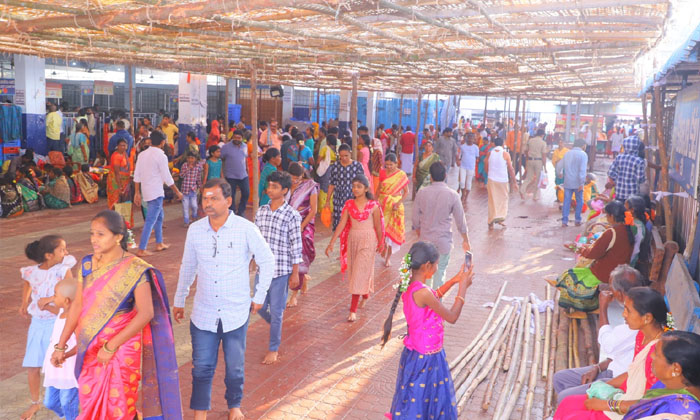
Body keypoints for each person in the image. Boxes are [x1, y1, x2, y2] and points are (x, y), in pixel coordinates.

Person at [50, 210, 183, 419]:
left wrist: (111, 346)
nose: (94, 239)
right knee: (90, 399)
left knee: (119, 404)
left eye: (100, 234)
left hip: (122, 345)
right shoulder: (85, 265)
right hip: (90, 343)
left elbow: (146, 312)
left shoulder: (136, 269)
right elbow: (76, 306)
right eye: (92, 233)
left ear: (119, 236)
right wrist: (61, 345)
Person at [174, 178, 274, 420]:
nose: (208, 203)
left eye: (214, 198)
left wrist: (259, 296)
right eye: (205, 198)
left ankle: (234, 406)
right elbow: (188, 266)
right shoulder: (195, 230)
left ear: (228, 201)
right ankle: (200, 413)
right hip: (204, 313)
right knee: (202, 368)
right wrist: (180, 298)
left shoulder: (245, 228)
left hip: (235, 312)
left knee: (235, 368)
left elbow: (267, 260)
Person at [382, 241, 473, 420]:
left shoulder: (409, 285)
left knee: (416, 399)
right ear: (427, 266)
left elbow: (434, 296)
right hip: (427, 359)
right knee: (427, 401)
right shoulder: (423, 293)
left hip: (414, 354)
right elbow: (452, 317)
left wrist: (455, 280)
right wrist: (463, 288)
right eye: (437, 264)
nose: (437, 267)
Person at [554, 287, 666, 420]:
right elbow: (632, 373)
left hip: (633, 410)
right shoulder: (641, 335)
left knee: (572, 412)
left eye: (628, 311)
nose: (623, 314)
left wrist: (605, 404)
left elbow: (649, 404)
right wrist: (604, 386)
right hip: (624, 394)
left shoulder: (659, 354)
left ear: (647, 318)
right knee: (568, 403)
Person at [553, 265, 645, 403]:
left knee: (565, 398)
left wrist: (603, 307)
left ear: (619, 293)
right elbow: (616, 353)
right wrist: (597, 367)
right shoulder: (635, 310)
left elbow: (608, 345)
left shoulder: (638, 320)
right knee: (560, 379)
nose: (608, 290)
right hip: (611, 369)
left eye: (610, 286)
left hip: (617, 378)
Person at [19, 235, 75, 420]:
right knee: (33, 365)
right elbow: (27, 283)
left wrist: (49, 300)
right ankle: (36, 403)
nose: (66, 253)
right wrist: (24, 302)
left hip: (56, 322)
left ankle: (65, 401)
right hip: (37, 322)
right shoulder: (32, 271)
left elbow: (72, 292)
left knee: (57, 362)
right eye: (62, 250)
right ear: (49, 255)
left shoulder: (64, 270)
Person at [254, 171, 302, 364]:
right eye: (269, 186)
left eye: (275, 187)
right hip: (262, 270)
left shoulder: (292, 215)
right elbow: (255, 238)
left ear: (284, 190)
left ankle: (273, 347)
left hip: (282, 271)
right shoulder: (261, 211)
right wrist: (251, 259)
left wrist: (295, 273)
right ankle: (276, 322)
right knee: (259, 307)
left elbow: (296, 244)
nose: (270, 189)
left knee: (275, 311)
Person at [553, 200, 634, 313]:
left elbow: (593, 254)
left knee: (568, 276)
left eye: (607, 215)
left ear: (611, 216)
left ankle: (581, 308)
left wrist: (576, 248)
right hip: (617, 270)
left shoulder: (612, 232)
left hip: (606, 273)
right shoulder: (626, 229)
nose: (606, 218)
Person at [325, 174, 385, 322]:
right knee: (356, 272)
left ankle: (353, 310)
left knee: (359, 272)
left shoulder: (373, 205)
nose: (355, 189)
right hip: (353, 240)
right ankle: (365, 294)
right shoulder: (349, 204)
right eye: (354, 186)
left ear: (366, 188)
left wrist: (381, 242)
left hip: (368, 241)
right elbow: (341, 224)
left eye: (359, 186)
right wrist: (332, 242)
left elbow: (378, 226)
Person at [413, 162, 471, 288]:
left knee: (426, 276)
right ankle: (436, 303)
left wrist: (421, 235)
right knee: (440, 274)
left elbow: (415, 221)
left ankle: (425, 303)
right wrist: (465, 240)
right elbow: (460, 220)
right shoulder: (453, 195)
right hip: (443, 241)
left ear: (431, 177)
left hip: (425, 241)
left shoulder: (421, 193)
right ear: (445, 175)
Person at [623, 331, 700, 419]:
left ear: (676, 369)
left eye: (656, 354)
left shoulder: (680, 413)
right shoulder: (665, 384)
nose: (651, 356)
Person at [133, 130, 183, 257]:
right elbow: (167, 177)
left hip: (147, 190)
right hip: (156, 192)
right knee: (150, 220)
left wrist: (137, 193)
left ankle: (159, 243)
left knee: (159, 217)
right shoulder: (161, 156)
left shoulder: (142, 155)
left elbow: (136, 175)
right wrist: (177, 192)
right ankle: (141, 248)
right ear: (162, 142)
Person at [40, 279, 79, 420]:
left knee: (67, 402)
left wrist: (65, 355)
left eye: (55, 295)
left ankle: (73, 417)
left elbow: (81, 344)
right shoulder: (63, 310)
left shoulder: (77, 319)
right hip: (54, 367)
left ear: (67, 300)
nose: (53, 297)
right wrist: (48, 306)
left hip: (69, 367)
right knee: (50, 402)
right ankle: (67, 416)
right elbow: (58, 312)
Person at [287, 162, 319, 308]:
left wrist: (301, 226)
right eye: (292, 177)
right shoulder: (285, 185)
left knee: (300, 257)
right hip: (287, 225)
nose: (295, 181)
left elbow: (313, 210)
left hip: (304, 226)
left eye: (297, 178)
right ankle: (302, 279)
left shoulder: (310, 187)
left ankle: (294, 295)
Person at [376, 153, 409, 267]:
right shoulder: (382, 172)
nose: (389, 167)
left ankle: (388, 258)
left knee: (391, 235)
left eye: (391, 165)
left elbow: (406, 192)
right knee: (382, 230)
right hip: (383, 205)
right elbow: (379, 188)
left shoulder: (401, 175)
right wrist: (375, 202)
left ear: (396, 163)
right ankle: (383, 247)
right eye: (387, 165)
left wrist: (398, 203)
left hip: (395, 207)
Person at [325, 143, 365, 230]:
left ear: (350, 153)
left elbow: (363, 184)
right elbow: (332, 184)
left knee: (353, 221)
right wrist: (327, 201)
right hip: (338, 198)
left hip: (353, 197)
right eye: (341, 156)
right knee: (339, 221)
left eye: (346, 155)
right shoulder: (335, 166)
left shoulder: (357, 166)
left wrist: (363, 199)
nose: (344, 158)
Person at [485, 137, 518, 229]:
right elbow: (511, 169)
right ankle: (500, 219)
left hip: (492, 179)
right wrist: (514, 182)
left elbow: (486, 166)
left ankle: (491, 222)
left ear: (494, 144)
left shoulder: (489, 153)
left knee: (492, 200)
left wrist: (489, 175)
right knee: (503, 199)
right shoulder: (505, 154)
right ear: (503, 144)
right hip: (503, 180)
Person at [558, 139, 589, 227]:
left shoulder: (567, 153)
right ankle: (577, 220)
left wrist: (559, 173)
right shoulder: (583, 154)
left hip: (568, 181)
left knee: (566, 201)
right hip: (578, 182)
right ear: (583, 145)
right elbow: (582, 170)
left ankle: (564, 221)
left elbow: (559, 165)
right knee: (579, 201)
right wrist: (581, 183)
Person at [608, 135, 646, 202]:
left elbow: (610, 173)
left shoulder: (619, 157)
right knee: (629, 212)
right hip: (632, 195)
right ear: (636, 146)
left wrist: (616, 181)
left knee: (620, 211)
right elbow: (640, 179)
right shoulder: (639, 161)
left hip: (619, 193)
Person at [221, 129, 249, 216]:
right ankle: (232, 213)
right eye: (235, 137)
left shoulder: (245, 146)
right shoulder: (226, 147)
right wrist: (222, 174)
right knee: (231, 195)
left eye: (239, 138)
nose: (237, 139)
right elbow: (221, 160)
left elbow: (245, 158)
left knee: (246, 193)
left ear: (242, 138)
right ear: (232, 137)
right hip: (230, 175)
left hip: (243, 175)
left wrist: (247, 168)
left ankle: (241, 211)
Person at [106, 138, 132, 217]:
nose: (123, 147)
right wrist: (120, 187)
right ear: (117, 146)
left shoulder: (124, 154)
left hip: (125, 181)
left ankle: (123, 221)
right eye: (121, 145)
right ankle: (115, 220)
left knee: (124, 202)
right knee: (115, 202)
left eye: (125, 145)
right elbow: (117, 173)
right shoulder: (116, 156)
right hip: (116, 182)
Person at [521, 128, 548, 201]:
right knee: (538, 179)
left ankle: (522, 190)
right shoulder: (543, 143)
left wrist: (527, 158)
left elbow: (525, 151)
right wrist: (545, 166)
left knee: (529, 178)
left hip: (530, 160)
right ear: (542, 135)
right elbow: (544, 155)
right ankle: (535, 196)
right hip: (538, 161)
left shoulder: (530, 141)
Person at [625, 195, 651, 269]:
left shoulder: (635, 225)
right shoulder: (639, 222)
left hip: (630, 261)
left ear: (632, 210)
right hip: (634, 257)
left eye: (625, 208)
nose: (623, 210)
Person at [181, 152, 204, 227]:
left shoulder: (198, 167)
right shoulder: (184, 165)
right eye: (189, 158)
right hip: (185, 189)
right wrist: (188, 169)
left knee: (194, 206)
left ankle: (194, 216)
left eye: (192, 158)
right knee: (185, 207)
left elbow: (198, 178)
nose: (190, 160)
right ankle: (186, 221)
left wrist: (200, 187)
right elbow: (181, 175)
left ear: (195, 159)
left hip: (193, 189)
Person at [316, 134, 337, 210]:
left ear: (327, 141)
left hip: (326, 170)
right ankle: (331, 207)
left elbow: (318, 161)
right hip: (334, 169)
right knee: (332, 187)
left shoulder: (325, 148)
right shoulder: (337, 149)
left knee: (324, 187)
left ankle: (323, 208)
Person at [458, 132, 479, 203]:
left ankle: (466, 197)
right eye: (468, 137)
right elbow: (459, 157)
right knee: (461, 182)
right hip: (463, 166)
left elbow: (477, 157)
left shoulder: (476, 148)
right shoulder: (462, 147)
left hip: (471, 167)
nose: (470, 139)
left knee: (468, 183)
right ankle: (463, 193)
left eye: (471, 138)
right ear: (466, 138)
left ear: (474, 139)